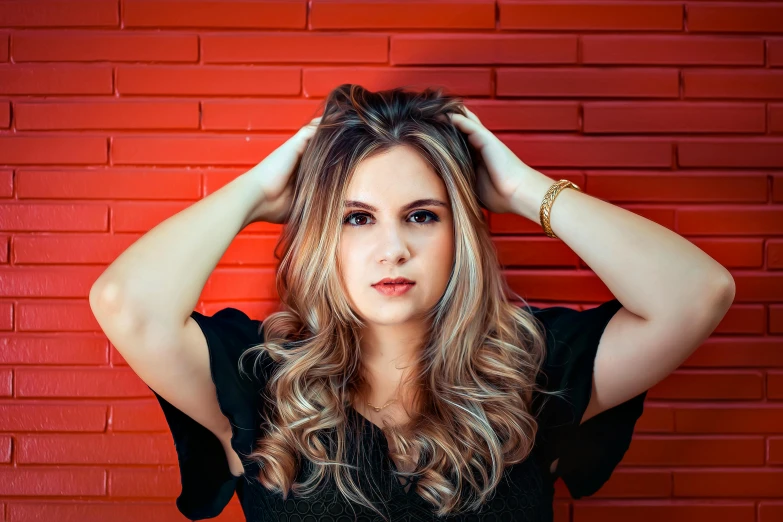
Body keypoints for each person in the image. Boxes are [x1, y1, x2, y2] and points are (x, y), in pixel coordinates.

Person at [89, 84, 735, 521]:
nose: (391, 249)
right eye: (356, 219)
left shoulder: (530, 369)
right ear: (322, 236)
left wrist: (518, 188)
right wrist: (256, 191)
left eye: (422, 216)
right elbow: (124, 302)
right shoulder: (257, 378)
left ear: (459, 231)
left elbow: (695, 294)